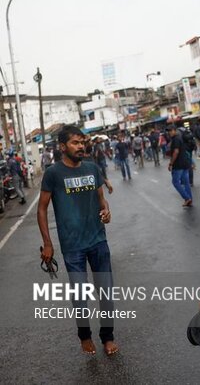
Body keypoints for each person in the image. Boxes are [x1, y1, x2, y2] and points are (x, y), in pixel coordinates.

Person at [37, 125, 118, 356]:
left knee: (106, 290)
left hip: (98, 240)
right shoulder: (53, 174)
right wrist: (48, 243)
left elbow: (102, 200)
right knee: (80, 295)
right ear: (63, 147)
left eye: (82, 142)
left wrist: (107, 211)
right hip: (72, 246)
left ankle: (108, 337)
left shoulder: (92, 169)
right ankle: (84, 336)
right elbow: (42, 209)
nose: (81, 146)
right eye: (75, 143)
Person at [166, 125, 193, 207]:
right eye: (168, 131)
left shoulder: (176, 139)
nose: (169, 132)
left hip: (178, 165)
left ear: (175, 130)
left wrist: (171, 163)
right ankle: (189, 199)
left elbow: (176, 152)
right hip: (185, 163)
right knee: (186, 182)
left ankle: (187, 198)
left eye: (171, 130)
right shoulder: (179, 138)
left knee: (175, 182)